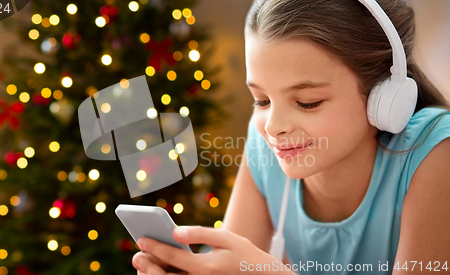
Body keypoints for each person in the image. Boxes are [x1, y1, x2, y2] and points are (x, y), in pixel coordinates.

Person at [131, 0, 450, 274]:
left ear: (385, 98)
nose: (273, 127)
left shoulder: (435, 152)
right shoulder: (268, 146)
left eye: (307, 102)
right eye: (262, 101)